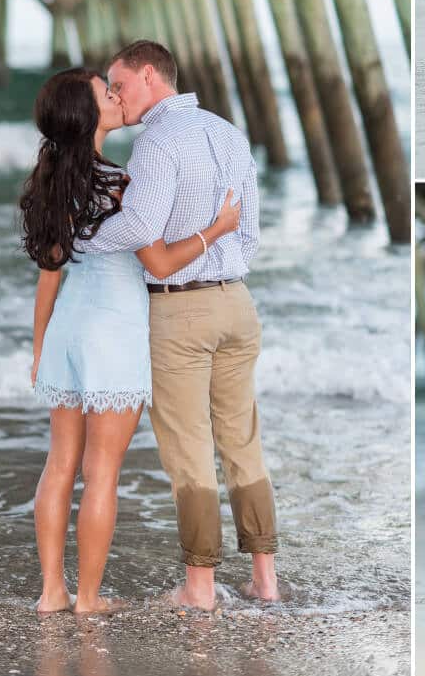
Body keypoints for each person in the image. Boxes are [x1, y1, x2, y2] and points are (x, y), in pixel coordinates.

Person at [22, 67, 243, 615]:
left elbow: (50, 273)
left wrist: (39, 347)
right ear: (87, 113)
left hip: (68, 330)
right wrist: (217, 229)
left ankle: (53, 592)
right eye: (106, 93)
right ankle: (89, 599)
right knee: (102, 472)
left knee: (59, 465)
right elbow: (161, 261)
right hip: (113, 332)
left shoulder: (53, 179)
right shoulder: (117, 185)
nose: (117, 98)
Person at [83, 40, 280, 611]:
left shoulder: (156, 142)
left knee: (188, 451)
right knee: (243, 442)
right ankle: (264, 578)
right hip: (238, 304)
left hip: (179, 307)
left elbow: (142, 226)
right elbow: (250, 234)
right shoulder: (228, 133)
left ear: (150, 76)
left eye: (119, 84)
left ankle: (199, 588)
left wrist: (80, 241)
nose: (116, 95)